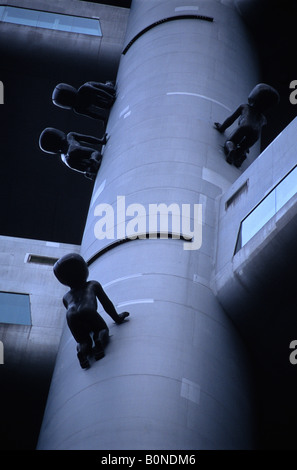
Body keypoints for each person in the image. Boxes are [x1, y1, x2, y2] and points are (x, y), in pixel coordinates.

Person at [53, 253, 129, 369]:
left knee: (83, 341)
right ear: (84, 270)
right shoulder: (93, 284)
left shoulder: (66, 297)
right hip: (87, 309)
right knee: (102, 329)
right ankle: (98, 343)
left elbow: (79, 319)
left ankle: (82, 353)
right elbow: (106, 304)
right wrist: (117, 318)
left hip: (71, 315)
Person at [214, 83, 279, 167]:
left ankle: (231, 151)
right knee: (243, 148)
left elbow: (231, 119)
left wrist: (222, 128)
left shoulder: (244, 107)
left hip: (245, 126)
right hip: (256, 134)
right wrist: (247, 146)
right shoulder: (263, 119)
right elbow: (255, 131)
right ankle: (241, 156)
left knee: (230, 142)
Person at [39, 128, 108, 180]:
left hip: (71, 157)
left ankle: (90, 169)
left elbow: (77, 167)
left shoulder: (64, 158)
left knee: (83, 166)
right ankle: (93, 160)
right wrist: (101, 141)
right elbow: (88, 139)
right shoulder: (70, 136)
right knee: (94, 153)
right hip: (74, 149)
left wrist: (86, 171)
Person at [52, 81, 116, 122]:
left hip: (93, 87)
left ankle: (108, 84)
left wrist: (110, 97)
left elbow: (99, 91)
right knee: (106, 106)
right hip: (92, 100)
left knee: (111, 90)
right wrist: (103, 119)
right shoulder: (77, 109)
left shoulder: (84, 89)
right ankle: (108, 86)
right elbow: (92, 115)